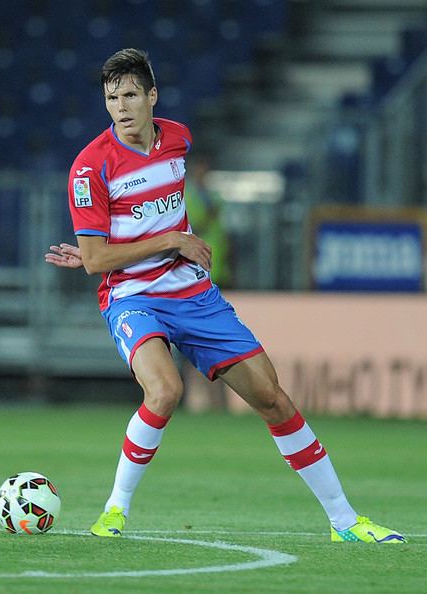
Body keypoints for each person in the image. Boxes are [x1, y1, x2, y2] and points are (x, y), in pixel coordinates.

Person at [45, 48, 406, 544]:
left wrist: (166, 238)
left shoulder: (177, 139)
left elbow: (147, 217)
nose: (121, 108)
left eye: (130, 95)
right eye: (111, 98)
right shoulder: (90, 168)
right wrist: (170, 240)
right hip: (134, 298)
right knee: (165, 390)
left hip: (194, 295)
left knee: (273, 398)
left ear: (152, 96)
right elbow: (95, 261)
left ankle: (345, 521)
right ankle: (114, 510)